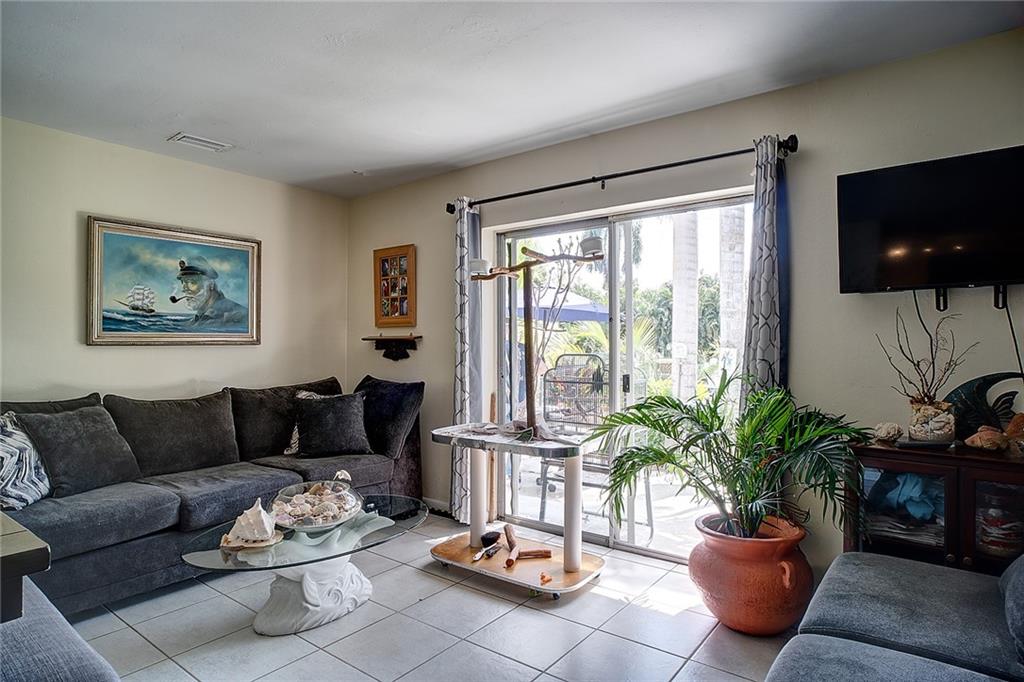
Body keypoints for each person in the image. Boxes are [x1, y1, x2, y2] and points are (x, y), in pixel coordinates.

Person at [170, 256, 248, 329]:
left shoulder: (238, 316)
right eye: (183, 282)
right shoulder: (196, 320)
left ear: (211, 285)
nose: (184, 289)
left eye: (192, 282)